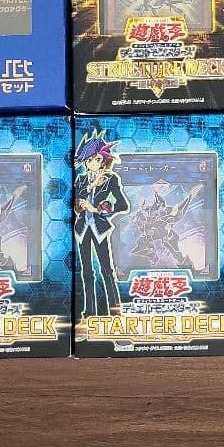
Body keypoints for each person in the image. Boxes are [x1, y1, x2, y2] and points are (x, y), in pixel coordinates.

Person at [74, 132, 128, 318]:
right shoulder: (81, 180)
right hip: (82, 228)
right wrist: (90, 189)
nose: (92, 163)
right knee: (87, 272)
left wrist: (98, 209)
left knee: (106, 270)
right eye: (89, 160)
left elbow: (123, 205)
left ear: (103, 159)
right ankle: (90, 311)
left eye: (96, 159)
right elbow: (76, 204)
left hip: (99, 228)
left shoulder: (111, 179)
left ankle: (115, 311)